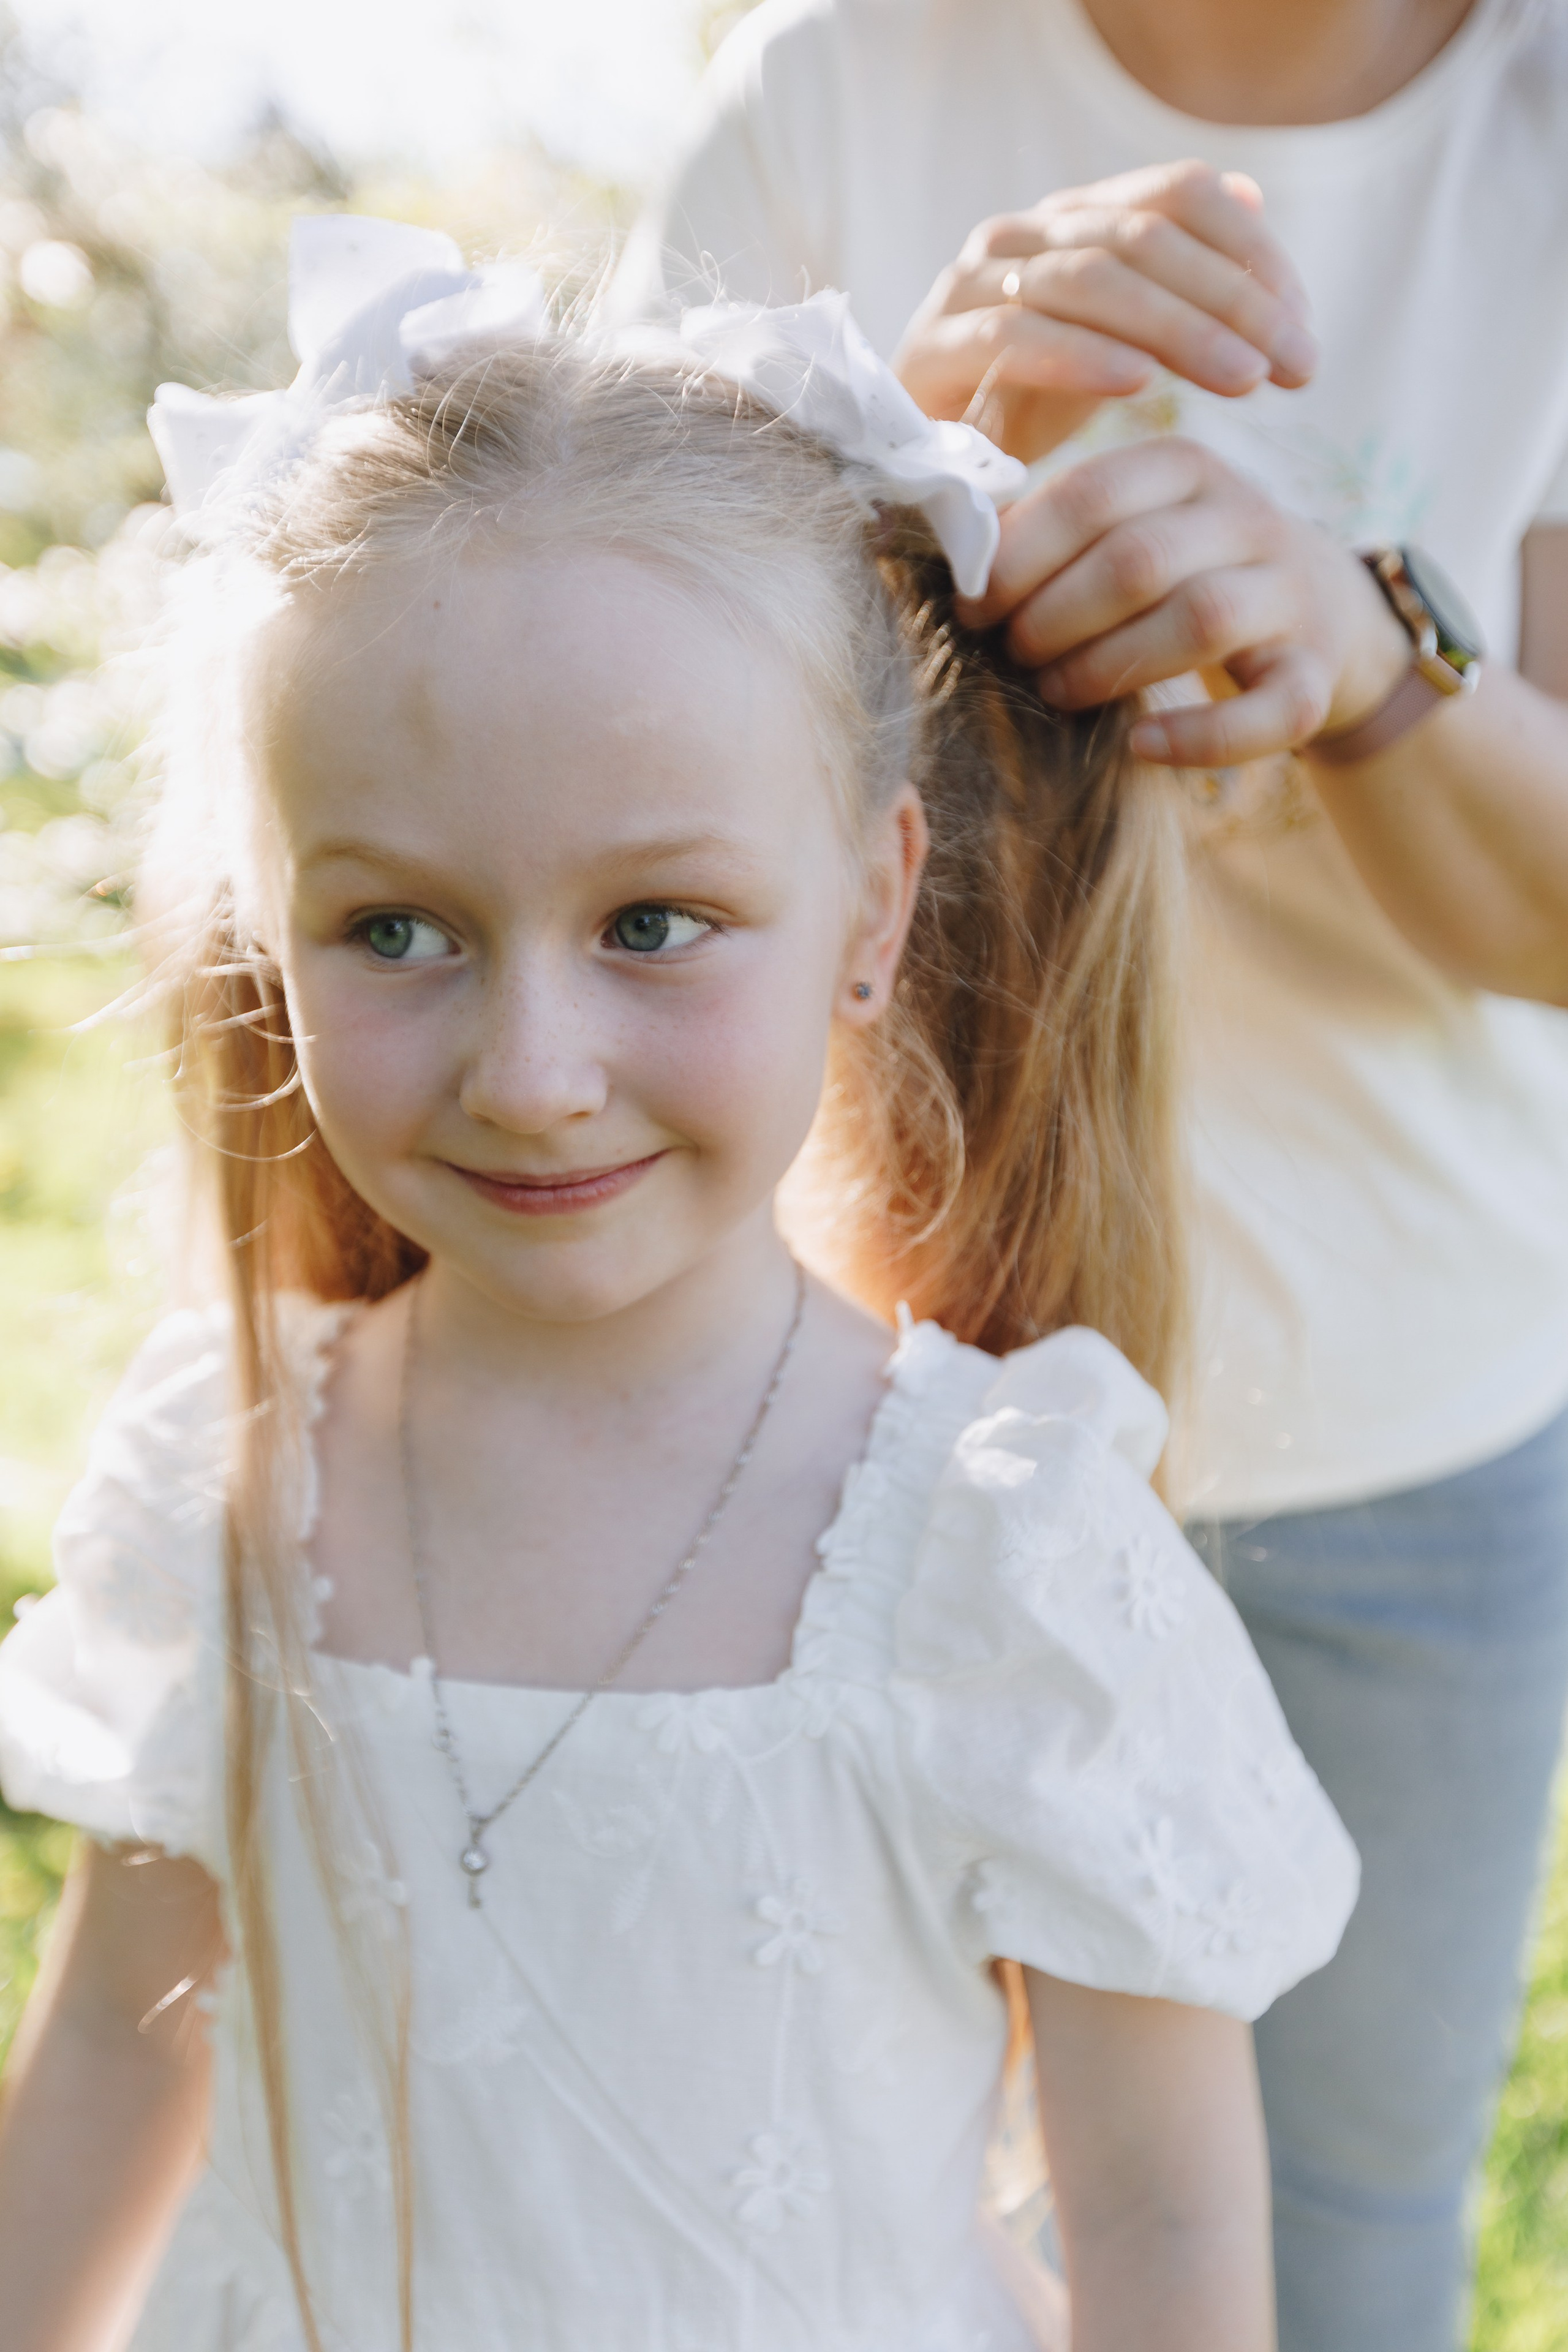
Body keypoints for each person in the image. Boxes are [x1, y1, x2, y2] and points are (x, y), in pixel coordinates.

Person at [0, 218, 1355, 2352]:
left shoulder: (996, 1546)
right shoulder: (233, 1476)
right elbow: (110, 2057)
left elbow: (1168, 2244)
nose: (534, 1077)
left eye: (652, 923)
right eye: (396, 932)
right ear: (268, 916)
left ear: (871, 905)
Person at [609, 4, 1568, 2346]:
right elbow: (601, 728)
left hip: (1393, 1461)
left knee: (1324, 2259)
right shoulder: (837, 88)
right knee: (775, 2232)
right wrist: (878, 477)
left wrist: (1377, 648)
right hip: (836, 1418)